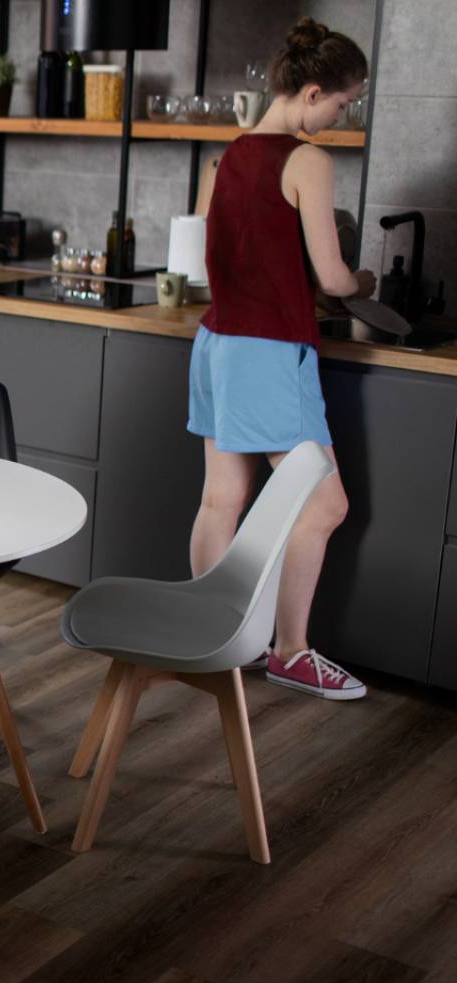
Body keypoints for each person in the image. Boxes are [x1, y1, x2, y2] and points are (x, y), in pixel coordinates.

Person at [188, 17, 372, 700]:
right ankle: (291, 651)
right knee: (324, 505)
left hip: (215, 344)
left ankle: (211, 635)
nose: (341, 116)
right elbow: (334, 277)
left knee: (222, 498)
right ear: (314, 90)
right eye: (343, 103)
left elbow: (210, 261)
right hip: (268, 352)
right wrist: (366, 284)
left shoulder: (224, 159)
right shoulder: (308, 161)